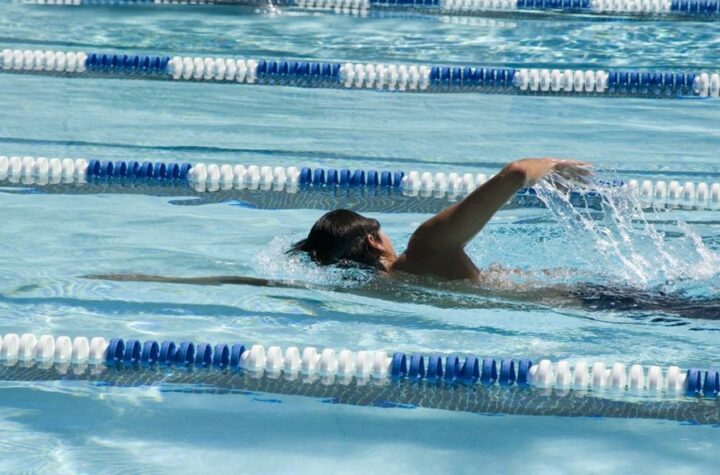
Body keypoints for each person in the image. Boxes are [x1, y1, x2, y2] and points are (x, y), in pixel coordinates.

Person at [291, 157, 591, 280]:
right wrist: (555, 166)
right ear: (372, 239)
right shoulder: (426, 245)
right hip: (583, 300)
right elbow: (516, 173)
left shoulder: (375, 291)